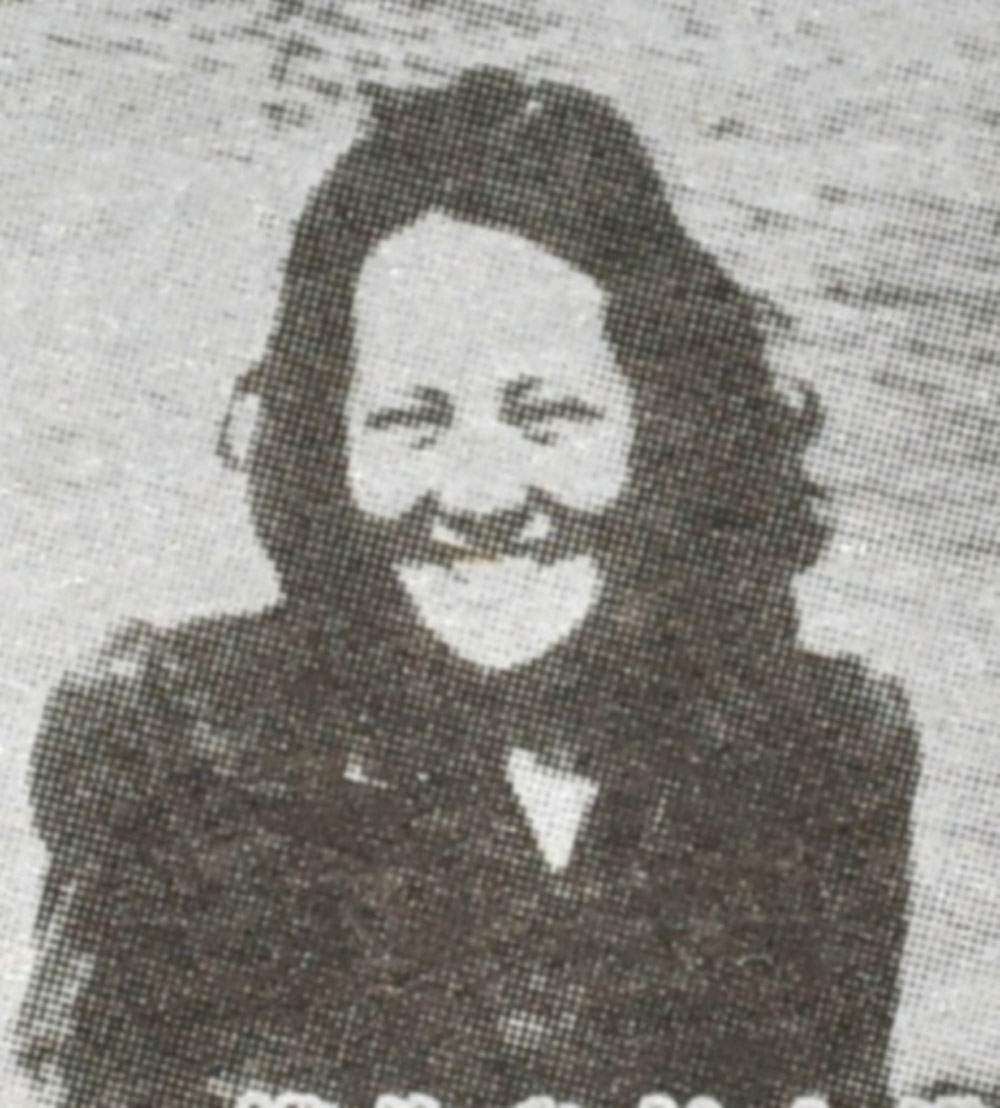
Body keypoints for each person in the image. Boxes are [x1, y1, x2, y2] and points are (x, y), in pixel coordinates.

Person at [15, 67, 920, 1108]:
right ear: (325, 442)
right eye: (410, 420)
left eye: (549, 418)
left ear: (670, 427)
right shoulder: (168, 734)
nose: (480, 498)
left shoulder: (822, 747)